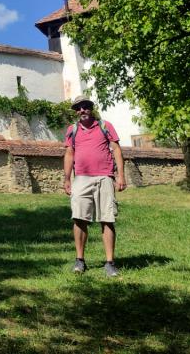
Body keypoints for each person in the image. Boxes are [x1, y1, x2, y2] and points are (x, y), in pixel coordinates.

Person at [63, 95, 126, 277]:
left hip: (104, 177)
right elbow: (69, 154)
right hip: (81, 179)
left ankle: (110, 263)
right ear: (76, 112)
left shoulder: (105, 126)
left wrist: (121, 176)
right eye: (78, 108)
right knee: (79, 218)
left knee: (107, 219)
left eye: (85, 106)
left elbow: (116, 150)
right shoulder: (72, 130)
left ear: (91, 108)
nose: (82, 110)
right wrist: (67, 179)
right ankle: (80, 260)